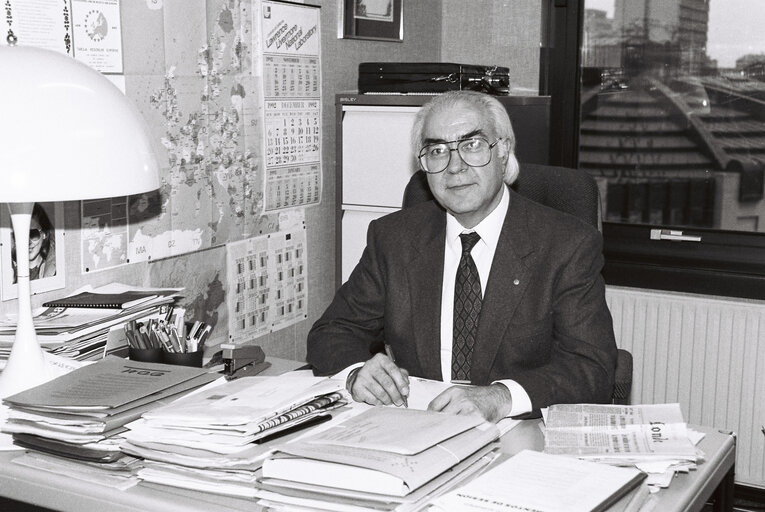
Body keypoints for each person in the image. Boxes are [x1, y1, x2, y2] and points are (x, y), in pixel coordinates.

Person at [307, 90, 617, 422]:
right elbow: (332, 331)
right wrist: (357, 373)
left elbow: (591, 368)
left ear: (503, 151)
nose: (455, 167)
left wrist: (500, 397)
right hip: (416, 426)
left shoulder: (567, 245)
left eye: (472, 145)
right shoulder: (393, 238)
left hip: (516, 433)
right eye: (437, 150)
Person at [12, 203, 56, 283]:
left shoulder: (55, 270)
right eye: (21, 234)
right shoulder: (8, 272)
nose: (27, 242)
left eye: (33, 234)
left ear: (44, 234)